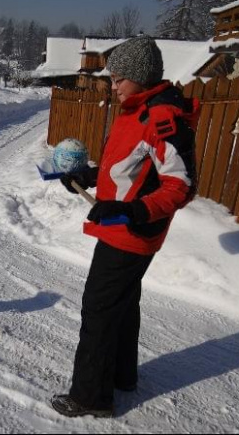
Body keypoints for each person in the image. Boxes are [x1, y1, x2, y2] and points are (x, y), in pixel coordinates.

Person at [51, 35, 200, 418]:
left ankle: (90, 397)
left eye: (119, 79)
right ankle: (122, 376)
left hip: (131, 233)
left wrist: (132, 212)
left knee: (98, 309)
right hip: (122, 226)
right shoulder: (137, 110)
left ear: (141, 75)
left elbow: (181, 185)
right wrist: (92, 175)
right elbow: (129, 169)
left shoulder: (161, 117)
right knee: (123, 303)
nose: (112, 86)